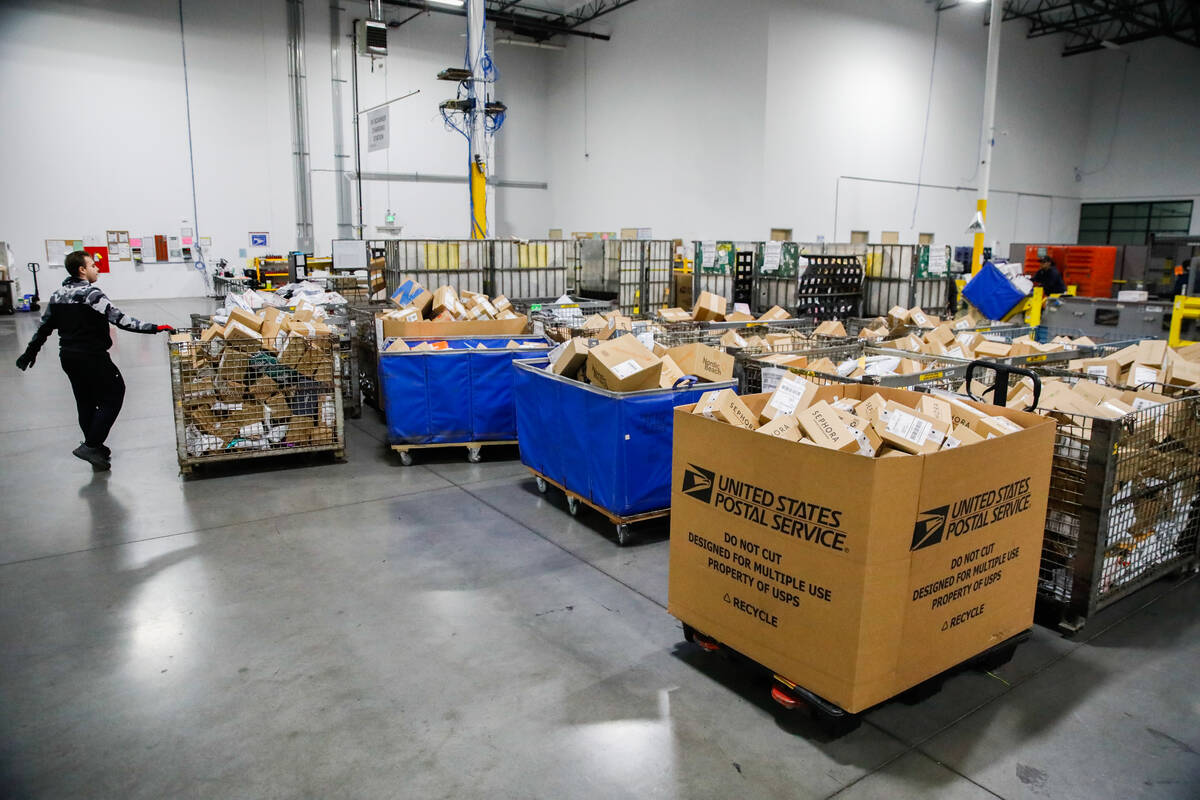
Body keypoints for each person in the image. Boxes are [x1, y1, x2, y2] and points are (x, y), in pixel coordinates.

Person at [15, 250, 174, 470]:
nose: (97, 269)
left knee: (85, 401)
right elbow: (121, 320)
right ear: (82, 269)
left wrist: (29, 353)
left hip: (68, 357)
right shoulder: (91, 294)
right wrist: (155, 328)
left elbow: (45, 328)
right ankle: (91, 445)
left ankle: (95, 448)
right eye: (92, 265)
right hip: (92, 356)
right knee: (114, 393)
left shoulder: (58, 294)